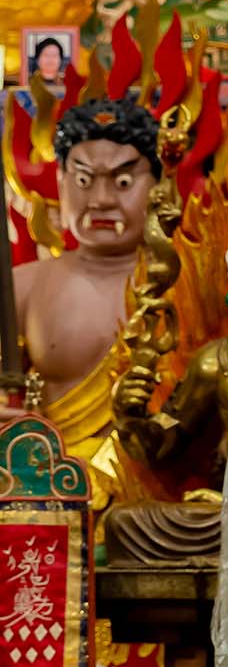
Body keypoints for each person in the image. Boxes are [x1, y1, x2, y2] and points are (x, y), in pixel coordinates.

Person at [11, 95, 158, 502]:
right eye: (83, 180)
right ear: (60, 181)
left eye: (123, 182)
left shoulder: (184, 288)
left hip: (153, 491)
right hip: (50, 487)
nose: (101, 200)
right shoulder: (24, 286)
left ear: (159, 185)